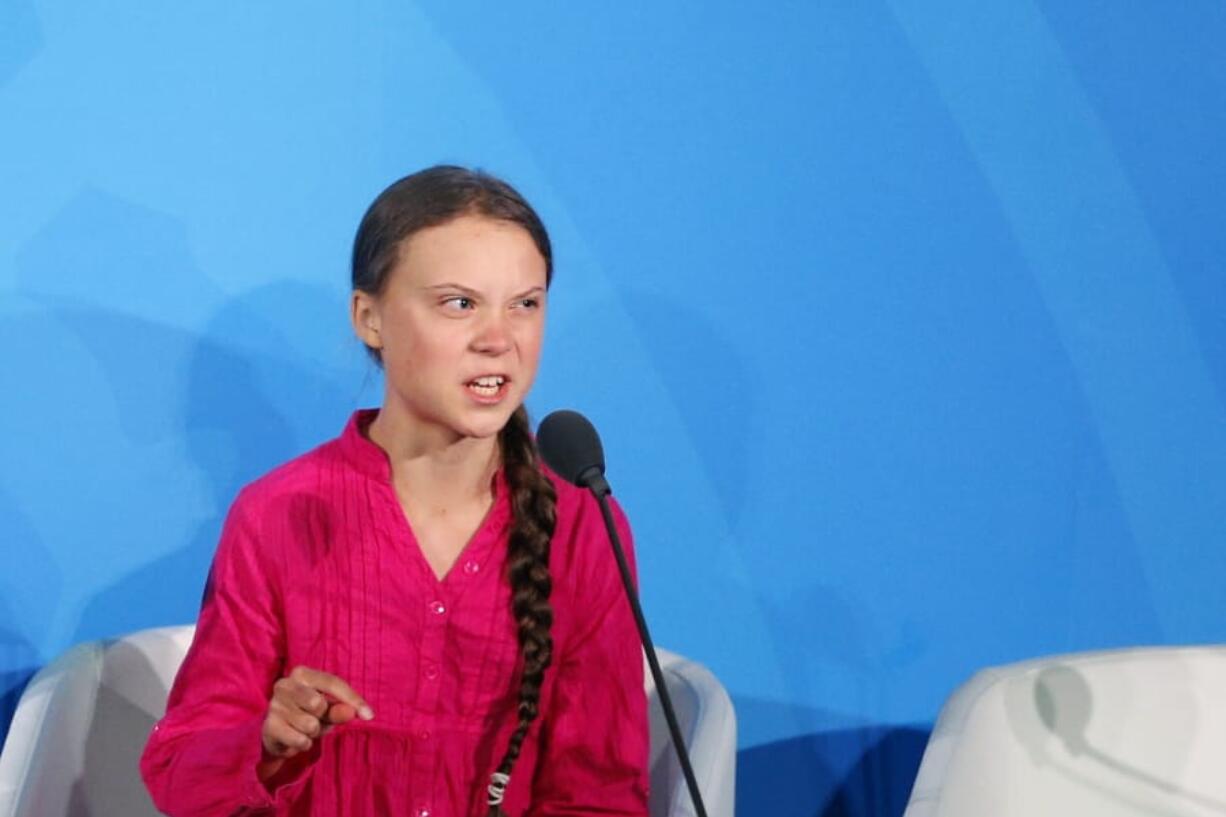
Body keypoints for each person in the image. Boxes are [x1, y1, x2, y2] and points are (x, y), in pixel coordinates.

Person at [140, 166, 650, 816]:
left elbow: (600, 795)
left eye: (525, 303)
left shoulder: (582, 526)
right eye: (459, 303)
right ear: (369, 317)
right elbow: (180, 774)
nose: (499, 339)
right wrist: (266, 743)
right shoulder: (276, 514)